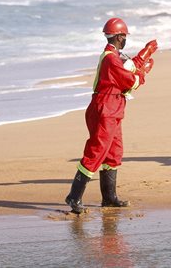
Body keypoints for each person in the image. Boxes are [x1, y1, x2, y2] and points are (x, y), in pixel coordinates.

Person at [65, 17, 157, 213]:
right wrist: (143, 73)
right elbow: (131, 80)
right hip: (105, 107)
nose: (125, 40)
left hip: (113, 106)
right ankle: (74, 196)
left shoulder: (114, 54)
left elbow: (130, 65)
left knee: (114, 152)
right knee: (96, 150)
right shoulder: (111, 59)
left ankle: (109, 198)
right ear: (119, 36)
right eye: (124, 36)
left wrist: (144, 55)